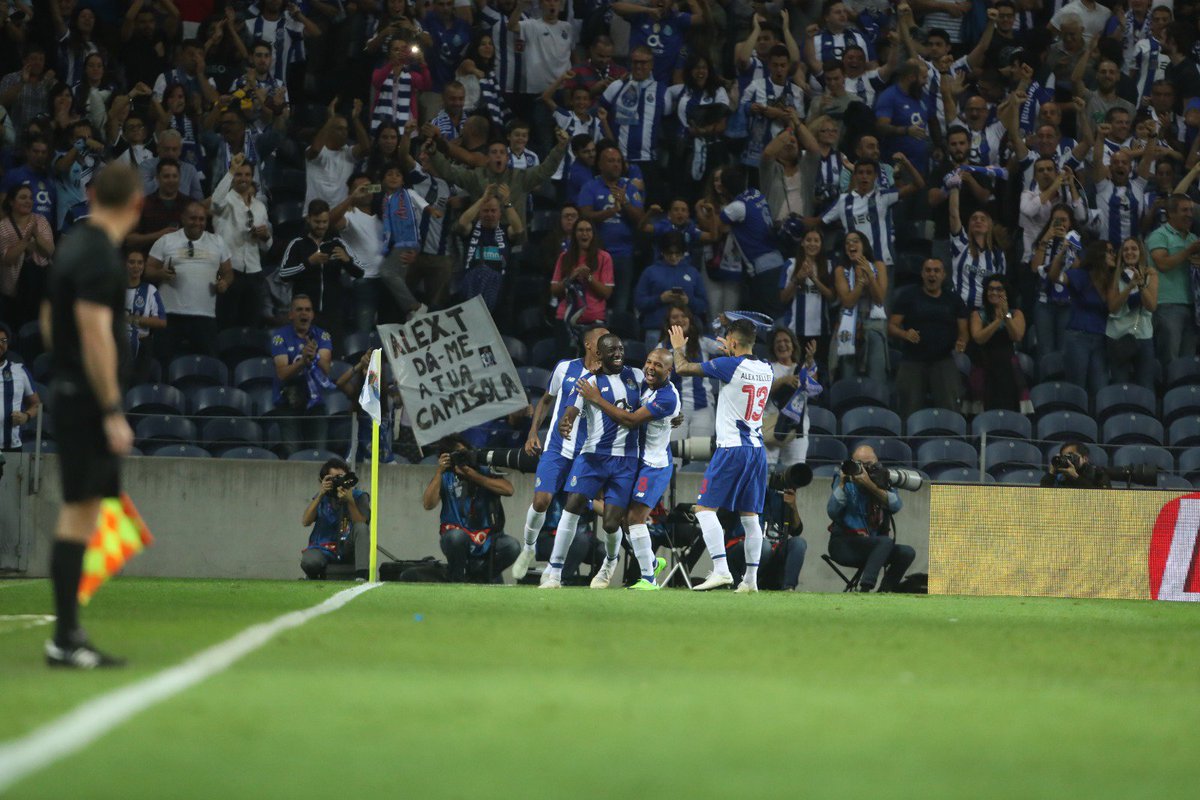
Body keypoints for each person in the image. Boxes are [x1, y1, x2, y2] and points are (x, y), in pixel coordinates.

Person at [39, 162, 142, 668]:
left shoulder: (73, 245)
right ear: (136, 205)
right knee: (80, 512)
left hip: (68, 388)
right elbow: (95, 330)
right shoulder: (102, 255)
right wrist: (109, 407)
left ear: (92, 193)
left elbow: (46, 317)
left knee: (85, 509)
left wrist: (65, 365)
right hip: (86, 400)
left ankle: (67, 632)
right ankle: (65, 637)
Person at [668, 317, 774, 593]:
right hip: (756, 449)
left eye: (728, 340)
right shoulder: (766, 368)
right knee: (750, 517)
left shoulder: (729, 365)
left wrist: (678, 347)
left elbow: (681, 368)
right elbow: (740, 369)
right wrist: (729, 352)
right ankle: (750, 580)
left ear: (734, 343)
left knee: (704, 510)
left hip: (732, 448)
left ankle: (722, 570)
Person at [543, 334, 645, 589]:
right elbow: (571, 411)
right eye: (612, 350)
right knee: (573, 504)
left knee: (611, 523)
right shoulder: (588, 382)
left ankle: (610, 562)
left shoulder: (637, 377)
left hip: (626, 459)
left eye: (621, 348)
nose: (618, 353)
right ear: (599, 355)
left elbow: (658, 395)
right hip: (592, 456)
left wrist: (672, 416)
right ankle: (554, 573)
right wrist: (566, 423)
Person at [574, 347, 679, 590]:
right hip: (635, 460)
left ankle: (649, 580)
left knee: (634, 518)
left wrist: (596, 398)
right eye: (649, 362)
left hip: (654, 464)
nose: (651, 367)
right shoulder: (645, 385)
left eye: (658, 365)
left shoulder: (667, 397)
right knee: (621, 518)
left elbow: (630, 420)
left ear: (669, 371)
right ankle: (651, 562)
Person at [512, 326, 609, 581]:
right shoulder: (565, 368)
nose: (608, 342)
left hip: (586, 452)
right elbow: (546, 400)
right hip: (556, 447)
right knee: (541, 501)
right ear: (589, 344)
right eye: (603, 338)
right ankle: (529, 547)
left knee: (573, 509)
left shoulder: (610, 376)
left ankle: (554, 570)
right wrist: (533, 432)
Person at [421, 434, 520, 583]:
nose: (463, 458)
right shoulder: (445, 475)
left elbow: (508, 490)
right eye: (457, 455)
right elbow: (428, 504)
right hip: (456, 536)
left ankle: (480, 577)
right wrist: (439, 471)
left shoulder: (483, 470)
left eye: (464, 453)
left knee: (512, 546)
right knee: (456, 537)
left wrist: (473, 475)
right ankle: (457, 579)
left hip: (488, 538)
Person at [143, 200, 233, 358]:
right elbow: (148, 270)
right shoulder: (166, 240)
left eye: (201, 219)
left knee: (210, 364)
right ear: (183, 218)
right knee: (162, 363)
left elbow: (228, 272)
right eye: (193, 218)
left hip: (205, 315)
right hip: (170, 314)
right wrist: (161, 274)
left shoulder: (217, 242)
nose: (197, 222)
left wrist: (225, 282)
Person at [826, 444, 913, 593]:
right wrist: (841, 484)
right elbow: (832, 512)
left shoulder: (883, 479)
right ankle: (865, 588)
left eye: (869, 465)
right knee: (885, 542)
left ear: (877, 462)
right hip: (844, 544)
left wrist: (870, 485)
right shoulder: (845, 479)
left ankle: (885, 591)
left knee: (906, 552)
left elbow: (896, 505)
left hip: (874, 545)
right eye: (860, 465)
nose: (865, 469)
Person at [888, 258, 968, 420]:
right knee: (908, 411)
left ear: (944, 275)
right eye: (928, 270)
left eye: (936, 271)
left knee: (951, 410)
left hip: (943, 359)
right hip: (912, 359)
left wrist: (962, 342)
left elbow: (964, 330)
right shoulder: (908, 296)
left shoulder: (953, 299)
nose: (932, 274)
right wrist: (905, 334)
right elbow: (891, 326)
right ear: (922, 274)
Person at [278, 199, 366, 343]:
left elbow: (360, 271)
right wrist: (308, 262)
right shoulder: (297, 244)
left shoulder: (337, 243)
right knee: (304, 357)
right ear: (308, 219)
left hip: (333, 312)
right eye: (317, 222)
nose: (321, 226)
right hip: (304, 313)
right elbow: (284, 274)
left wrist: (347, 260)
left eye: (324, 222)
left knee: (334, 357)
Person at [577, 142, 644, 312]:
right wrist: (609, 212)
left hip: (624, 254)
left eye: (618, 161)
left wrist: (625, 203)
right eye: (611, 161)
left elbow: (640, 219)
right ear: (600, 164)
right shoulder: (590, 187)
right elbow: (584, 216)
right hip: (596, 254)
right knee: (595, 301)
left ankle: (617, 336)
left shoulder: (629, 187)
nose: (616, 164)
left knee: (621, 304)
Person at [210, 153, 271, 329]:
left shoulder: (260, 207)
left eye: (247, 175)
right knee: (226, 322)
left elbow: (267, 245)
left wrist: (265, 236)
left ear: (252, 178)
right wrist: (231, 171)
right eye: (239, 174)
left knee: (251, 323)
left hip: (254, 270)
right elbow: (214, 203)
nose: (243, 178)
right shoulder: (225, 201)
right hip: (230, 270)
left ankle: (249, 356)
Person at [270, 294, 334, 455]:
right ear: (291, 314)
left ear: (312, 314)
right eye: (299, 310)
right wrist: (302, 361)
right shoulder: (280, 337)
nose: (304, 314)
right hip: (288, 401)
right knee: (292, 452)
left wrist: (315, 356)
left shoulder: (322, 336)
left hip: (315, 402)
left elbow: (326, 370)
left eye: (307, 310)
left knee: (319, 452)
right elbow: (282, 373)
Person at [1051, 240, 1113, 395]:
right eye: (1110, 251)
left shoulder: (1112, 280)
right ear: (1099, 254)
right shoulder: (1081, 275)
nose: (1114, 255)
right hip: (1078, 336)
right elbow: (1054, 276)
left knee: (1101, 389)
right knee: (1076, 388)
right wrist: (1062, 254)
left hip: (1102, 340)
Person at [1146, 193, 1200, 370]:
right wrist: (1188, 251)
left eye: (1191, 210)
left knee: (1189, 360)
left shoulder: (1193, 239)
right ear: (1170, 213)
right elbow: (1163, 264)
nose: (1190, 214)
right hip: (1167, 305)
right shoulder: (1159, 236)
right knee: (1170, 359)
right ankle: (1167, 395)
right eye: (1184, 210)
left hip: (1192, 306)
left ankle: (1183, 395)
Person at [455, 183, 525, 311]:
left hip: (499, 291)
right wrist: (482, 199)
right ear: (479, 213)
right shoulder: (471, 229)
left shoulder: (505, 231)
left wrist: (507, 203)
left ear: (499, 213)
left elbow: (518, 229)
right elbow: (462, 223)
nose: (489, 214)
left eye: (493, 211)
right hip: (471, 288)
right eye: (485, 210)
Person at [831, 231, 889, 385]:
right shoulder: (840, 270)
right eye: (848, 243)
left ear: (864, 246)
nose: (851, 245)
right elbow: (848, 302)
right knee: (848, 376)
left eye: (856, 241)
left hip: (873, 321)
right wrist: (860, 283)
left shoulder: (879, 266)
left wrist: (870, 276)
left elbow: (879, 299)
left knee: (877, 375)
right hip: (848, 322)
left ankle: (877, 404)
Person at [299, 457, 371, 580]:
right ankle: (312, 576)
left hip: (348, 546)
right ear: (324, 480)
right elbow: (306, 521)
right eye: (335, 478)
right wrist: (320, 495)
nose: (339, 482)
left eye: (342, 477)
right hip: (323, 546)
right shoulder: (322, 496)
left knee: (361, 528)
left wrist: (350, 501)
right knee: (309, 561)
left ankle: (361, 576)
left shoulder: (359, 496)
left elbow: (362, 523)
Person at [967, 276, 1030, 414]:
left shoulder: (1016, 314)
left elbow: (1017, 336)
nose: (994, 293)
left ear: (1006, 293)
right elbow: (979, 338)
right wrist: (997, 321)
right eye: (990, 289)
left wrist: (1006, 316)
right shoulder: (977, 314)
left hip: (1008, 368)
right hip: (984, 366)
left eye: (999, 289)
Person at [658, 304, 719, 441]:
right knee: (675, 459)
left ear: (690, 320)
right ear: (668, 322)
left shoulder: (702, 341)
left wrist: (723, 328)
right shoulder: (662, 347)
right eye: (674, 317)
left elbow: (728, 349)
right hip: (675, 410)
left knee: (699, 457)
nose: (680, 320)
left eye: (683, 316)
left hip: (703, 408)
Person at [779, 229, 834, 379]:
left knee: (817, 374)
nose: (812, 244)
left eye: (816, 240)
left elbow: (831, 297)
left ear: (821, 244)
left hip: (821, 331)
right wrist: (797, 279)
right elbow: (783, 298)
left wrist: (814, 279)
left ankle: (817, 402)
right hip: (795, 330)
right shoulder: (791, 264)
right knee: (795, 374)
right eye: (808, 240)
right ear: (802, 242)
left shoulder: (828, 266)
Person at [0, 183, 55, 333]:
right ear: (11, 202)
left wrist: (36, 234)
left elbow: (49, 251)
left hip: (40, 286)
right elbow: (7, 259)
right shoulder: (3, 227)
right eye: (23, 197)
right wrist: (25, 241)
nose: (28, 201)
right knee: (15, 330)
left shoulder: (41, 220)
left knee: (38, 330)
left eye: (30, 198)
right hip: (12, 291)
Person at [633, 231, 708, 336]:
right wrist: (660, 299)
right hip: (657, 328)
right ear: (662, 252)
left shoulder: (693, 272)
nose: (673, 257)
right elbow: (639, 302)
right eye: (669, 253)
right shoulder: (650, 272)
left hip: (687, 330)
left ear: (683, 253)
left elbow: (703, 304)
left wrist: (688, 301)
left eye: (678, 254)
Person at [766, 328, 821, 470]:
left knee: (795, 471)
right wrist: (784, 380)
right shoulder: (766, 367)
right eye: (778, 342)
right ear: (773, 347)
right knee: (766, 469)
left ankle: (790, 494)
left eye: (786, 341)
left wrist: (809, 360)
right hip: (772, 424)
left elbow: (814, 388)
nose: (782, 345)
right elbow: (763, 392)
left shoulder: (801, 368)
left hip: (796, 426)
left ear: (793, 345)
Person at [1106, 237, 1157, 389]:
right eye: (1126, 249)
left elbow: (1152, 306)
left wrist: (1141, 285)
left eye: (1134, 248)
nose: (1130, 252)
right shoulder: (1114, 274)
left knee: (1146, 385)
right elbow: (1113, 307)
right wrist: (1129, 287)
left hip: (1143, 335)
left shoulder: (1150, 274)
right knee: (1120, 386)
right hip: (1117, 337)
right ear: (1121, 254)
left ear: (1140, 252)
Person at [550, 218, 613, 328]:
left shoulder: (604, 257)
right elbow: (554, 290)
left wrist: (588, 276)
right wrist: (570, 277)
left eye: (588, 230)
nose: (584, 234)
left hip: (593, 319)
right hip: (566, 317)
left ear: (593, 234)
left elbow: (606, 293)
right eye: (580, 230)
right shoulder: (564, 257)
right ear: (574, 234)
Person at [124, 249, 166, 386]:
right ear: (125, 264)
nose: (136, 266)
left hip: (142, 345)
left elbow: (161, 322)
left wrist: (133, 319)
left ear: (144, 266)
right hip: (119, 345)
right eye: (132, 262)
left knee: (138, 386)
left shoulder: (150, 290)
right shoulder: (115, 289)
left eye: (140, 263)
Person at [0, 320, 39, 453]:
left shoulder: (19, 371)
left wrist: (25, 416)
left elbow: (36, 405)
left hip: (12, 447)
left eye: (3, 340)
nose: (0, 344)